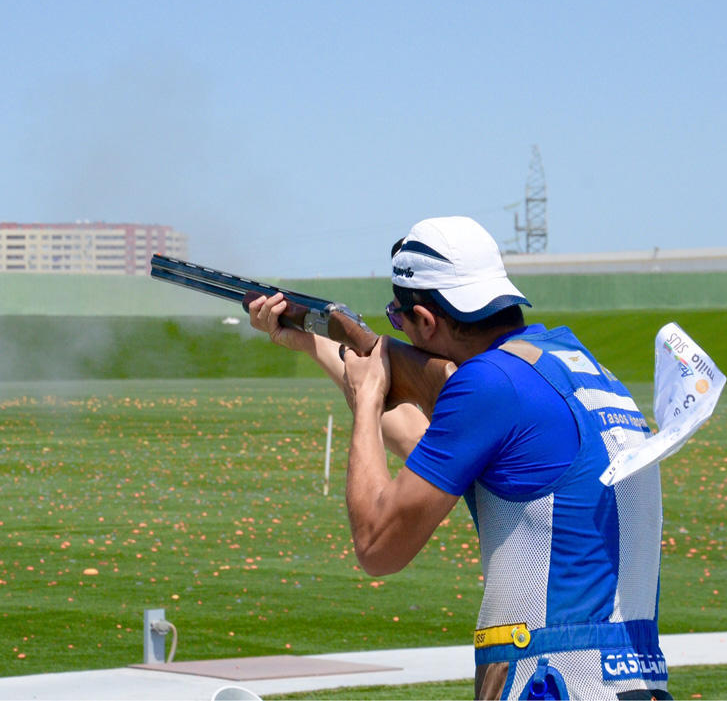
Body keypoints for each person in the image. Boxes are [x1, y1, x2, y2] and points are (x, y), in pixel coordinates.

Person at [249, 216, 669, 700]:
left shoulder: (490, 382)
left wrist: (367, 400)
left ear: (425, 320)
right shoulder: (566, 365)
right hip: (630, 683)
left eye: (398, 318)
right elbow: (428, 448)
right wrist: (317, 342)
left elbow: (377, 545)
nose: (398, 330)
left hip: (551, 681)